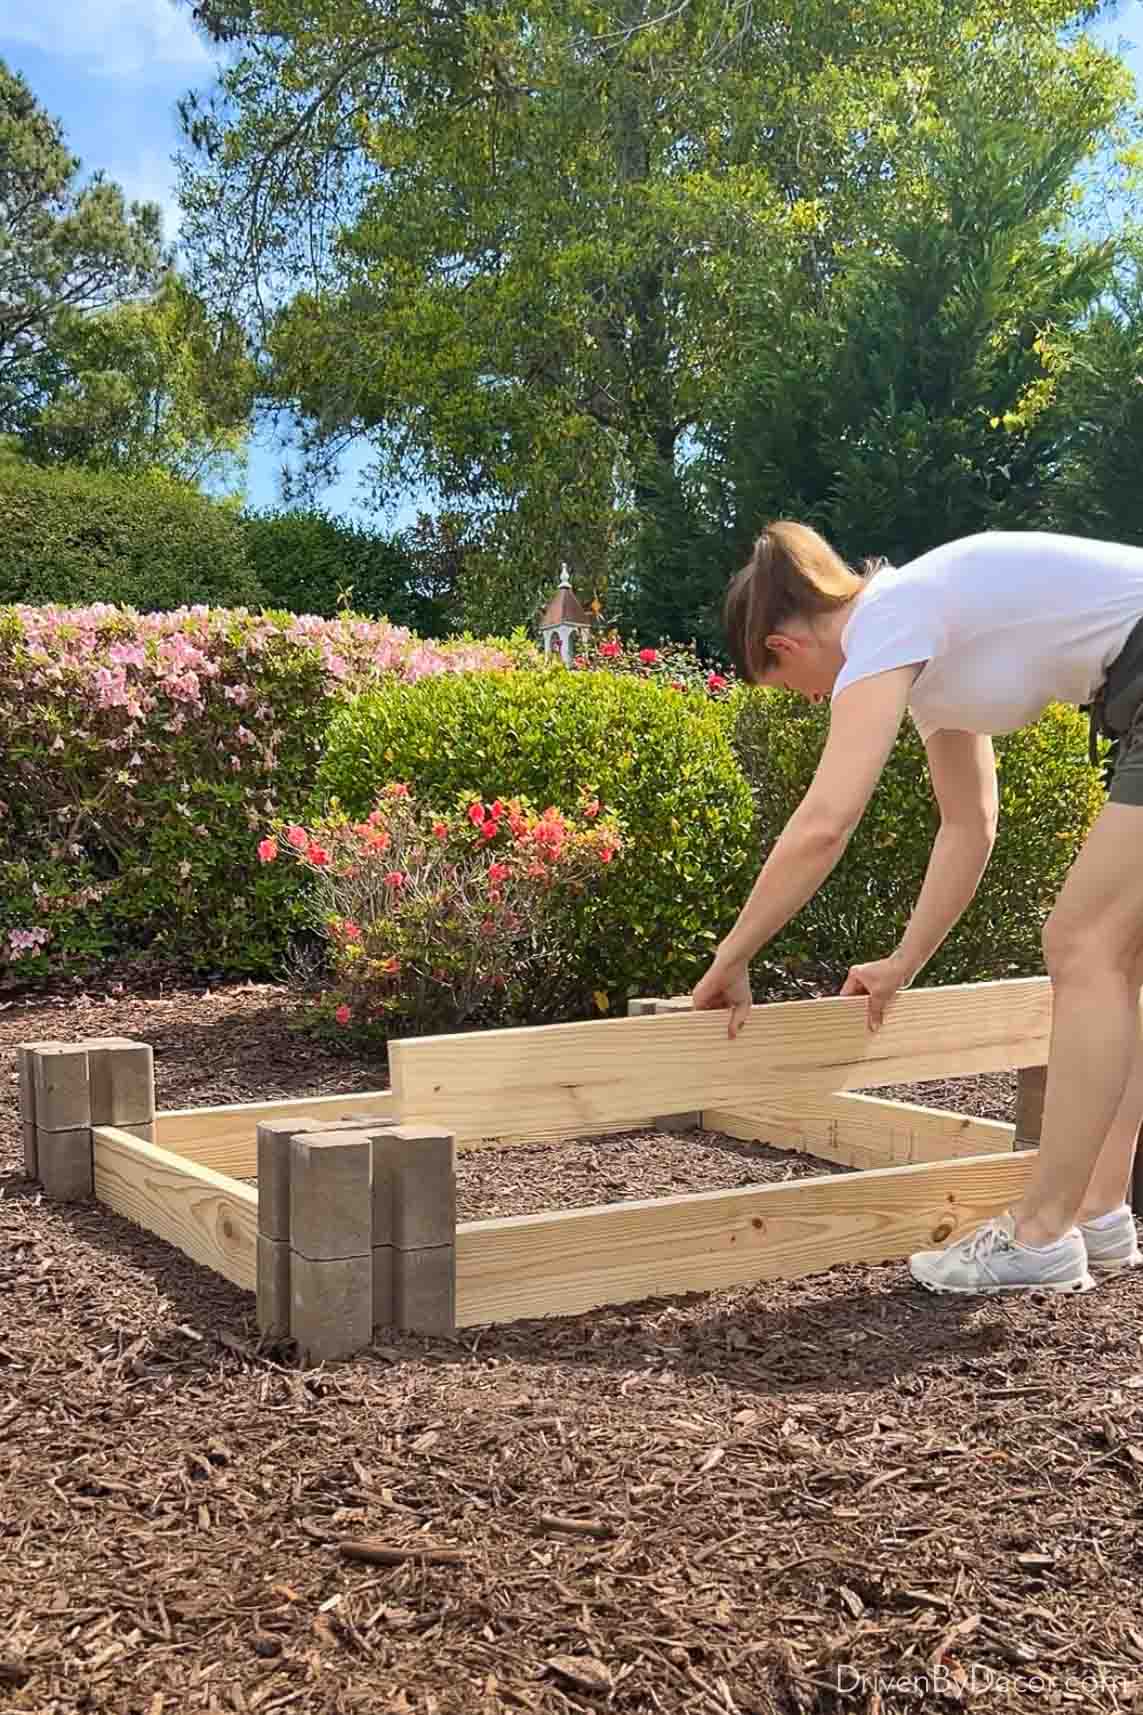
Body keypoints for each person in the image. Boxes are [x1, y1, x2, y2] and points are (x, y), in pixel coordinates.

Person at [691, 521, 1143, 1296]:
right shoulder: (921, 641)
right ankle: (1097, 1212)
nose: (813, 700)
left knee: (1083, 943)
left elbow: (825, 820)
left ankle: (1038, 1238)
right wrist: (904, 960)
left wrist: (730, 955)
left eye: (796, 691)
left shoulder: (885, 619)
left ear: (783, 645)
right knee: (1116, 955)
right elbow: (970, 823)